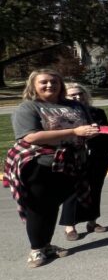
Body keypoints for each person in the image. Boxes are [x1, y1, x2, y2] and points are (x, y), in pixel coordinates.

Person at [6, 70, 97, 268]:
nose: (50, 85)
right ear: (33, 86)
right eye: (44, 82)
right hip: (39, 164)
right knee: (38, 208)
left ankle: (46, 245)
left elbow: (88, 127)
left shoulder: (75, 105)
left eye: (54, 81)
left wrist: (90, 132)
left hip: (70, 164)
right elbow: (29, 136)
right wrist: (74, 131)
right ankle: (36, 250)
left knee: (52, 206)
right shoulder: (28, 107)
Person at [58, 83, 108, 239]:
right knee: (72, 191)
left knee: (95, 188)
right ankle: (70, 226)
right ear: (64, 96)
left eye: (80, 93)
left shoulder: (98, 112)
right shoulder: (61, 114)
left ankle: (92, 221)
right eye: (72, 95)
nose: (77, 97)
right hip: (73, 157)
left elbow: (107, 135)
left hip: (98, 155)